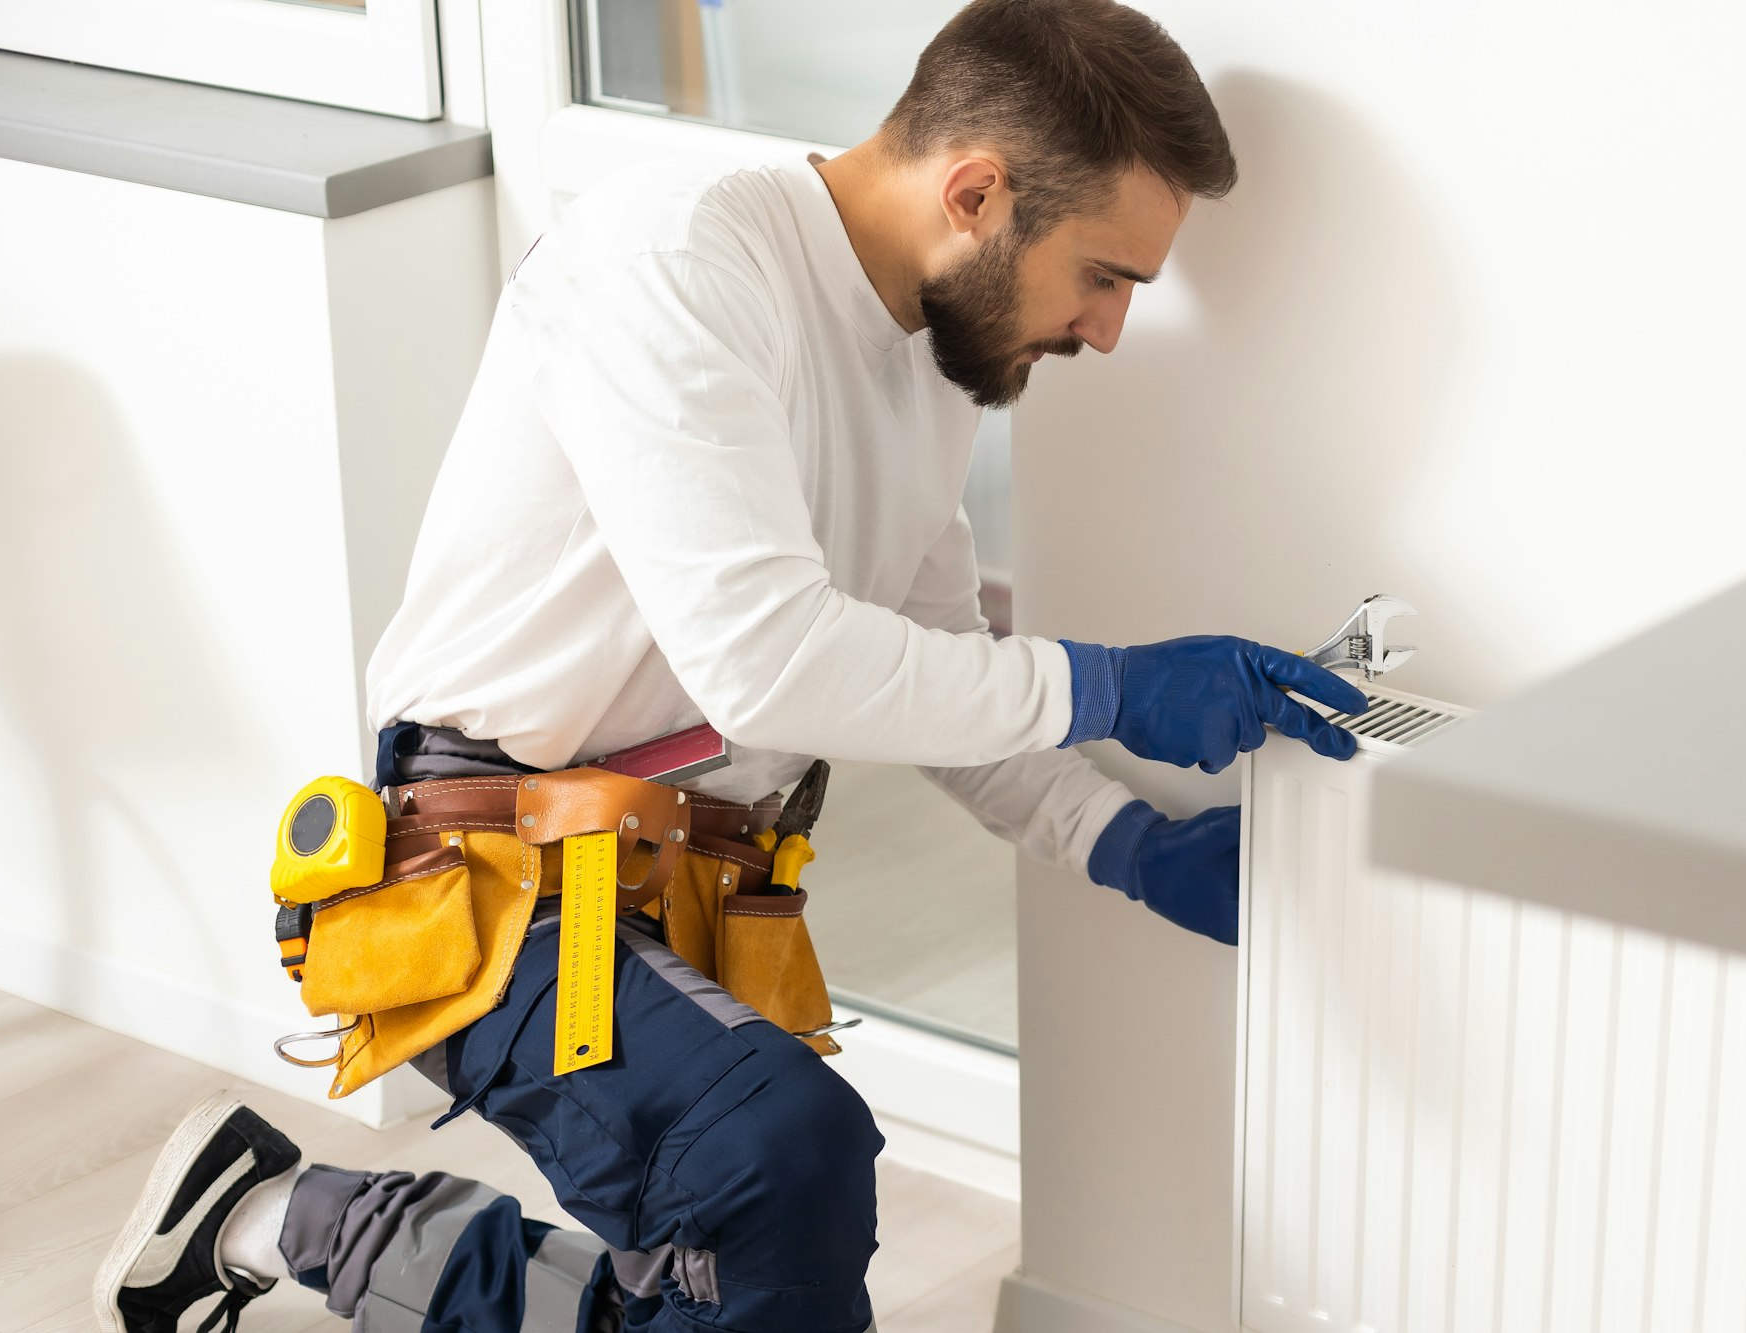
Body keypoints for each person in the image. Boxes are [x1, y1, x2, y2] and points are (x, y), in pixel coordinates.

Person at [93, 1, 1370, 1329]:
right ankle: (308, 1220)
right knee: (777, 1159)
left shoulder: (926, 367)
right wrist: (1111, 681)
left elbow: (928, 678)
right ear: (979, 191)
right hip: (493, 862)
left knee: (732, 1276)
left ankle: (282, 1215)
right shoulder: (676, 262)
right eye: (1106, 275)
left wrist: (1125, 841)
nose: (1106, 330)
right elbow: (769, 659)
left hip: (692, 879)